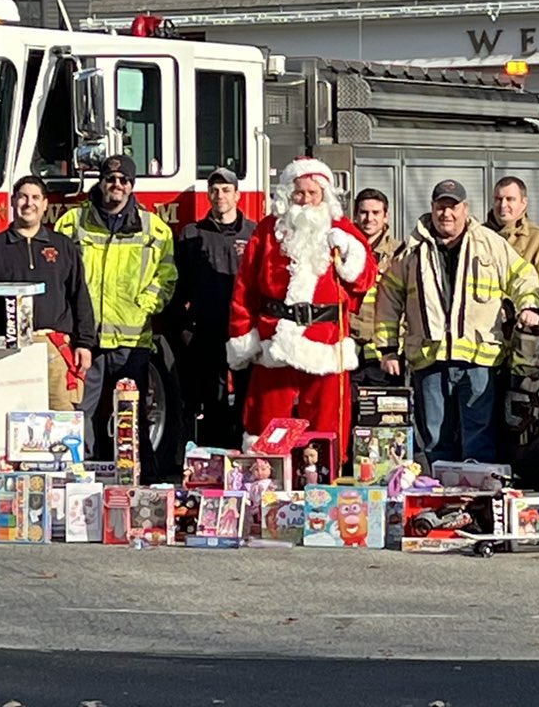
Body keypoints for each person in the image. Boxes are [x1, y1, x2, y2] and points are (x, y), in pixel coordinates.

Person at [224, 158, 378, 472]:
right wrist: (242, 335)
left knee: (326, 423)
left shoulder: (342, 230)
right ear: (288, 195)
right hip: (276, 339)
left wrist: (350, 252)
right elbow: (245, 288)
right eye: (299, 194)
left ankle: (323, 479)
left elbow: (365, 278)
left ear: (325, 195)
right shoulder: (268, 230)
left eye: (312, 193)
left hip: (326, 340)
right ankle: (265, 481)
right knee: (266, 422)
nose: (305, 200)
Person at [376, 179, 539, 464]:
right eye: (441, 207)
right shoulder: (413, 250)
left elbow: (522, 275)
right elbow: (388, 296)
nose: (446, 214)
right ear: (432, 208)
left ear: (465, 209)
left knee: (479, 438)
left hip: (478, 361)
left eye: (453, 207)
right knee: (435, 439)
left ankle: (477, 502)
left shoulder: (490, 244)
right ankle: (438, 500)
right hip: (430, 359)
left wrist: (529, 306)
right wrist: (389, 349)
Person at [54, 153, 178, 467]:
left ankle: (140, 477)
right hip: (86, 339)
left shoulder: (155, 228)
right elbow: (59, 274)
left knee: (132, 415)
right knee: (80, 411)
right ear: (102, 182)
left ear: (132, 185)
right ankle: (79, 476)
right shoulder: (72, 223)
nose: (116, 185)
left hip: (131, 340)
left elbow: (166, 276)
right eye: (110, 179)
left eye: (124, 180)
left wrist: (145, 306)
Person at [0, 175, 96, 411]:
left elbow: (79, 296)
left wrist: (85, 344)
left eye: (36, 197)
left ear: (45, 204)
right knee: (8, 415)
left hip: (53, 346)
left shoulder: (63, 246)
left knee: (61, 419)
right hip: (5, 350)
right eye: (23, 197)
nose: (29, 203)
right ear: (12, 201)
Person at [170, 167, 255, 447]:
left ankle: (246, 460)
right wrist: (183, 330)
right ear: (208, 195)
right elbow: (176, 286)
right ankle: (214, 463)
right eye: (215, 190)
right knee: (211, 401)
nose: (220, 195)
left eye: (226, 190)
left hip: (244, 330)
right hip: (206, 332)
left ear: (238, 195)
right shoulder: (191, 235)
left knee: (247, 398)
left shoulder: (254, 233)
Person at [489, 176, 539, 313]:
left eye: (510, 199)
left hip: (524, 325)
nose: (503, 205)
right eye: (498, 199)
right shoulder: (479, 237)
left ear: (523, 203)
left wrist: (519, 303)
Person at [349, 187, 400, 379]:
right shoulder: (342, 251)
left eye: (376, 213)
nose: (369, 218)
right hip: (348, 350)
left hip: (385, 354)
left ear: (386, 216)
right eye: (363, 212)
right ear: (355, 216)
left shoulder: (399, 254)